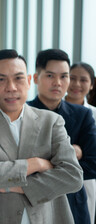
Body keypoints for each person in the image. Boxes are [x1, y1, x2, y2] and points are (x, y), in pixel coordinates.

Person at [0, 49, 83, 224]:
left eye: (18, 78)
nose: (11, 87)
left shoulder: (51, 122)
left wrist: (15, 186)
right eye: (1, 79)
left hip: (47, 218)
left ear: (29, 81)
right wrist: (33, 164)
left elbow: (72, 176)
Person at [28, 49, 96, 224]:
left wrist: (41, 164)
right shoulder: (22, 113)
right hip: (30, 202)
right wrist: (67, 162)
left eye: (64, 76)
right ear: (36, 78)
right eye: (50, 76)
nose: (58, 83)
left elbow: (93, 164)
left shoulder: (83, 115)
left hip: (72, 204)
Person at [65, 62, 96, 224]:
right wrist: (75, 151)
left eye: (83, 80)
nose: (76, 84)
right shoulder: (49, 111)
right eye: (71, 78)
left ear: (92, 84)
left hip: (87, 182)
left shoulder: (94, 114)